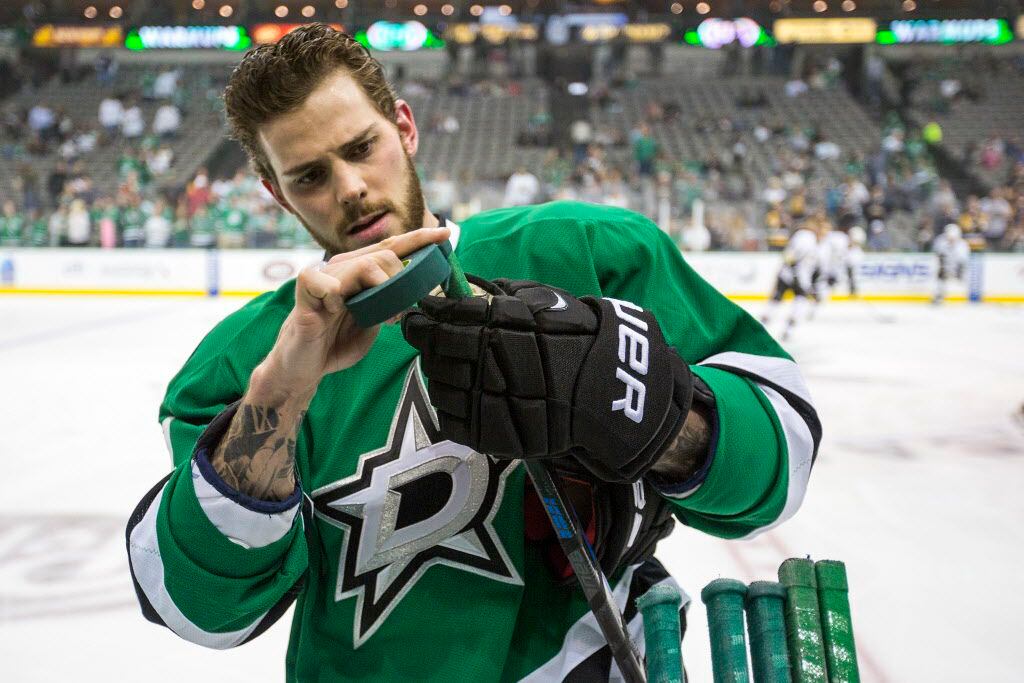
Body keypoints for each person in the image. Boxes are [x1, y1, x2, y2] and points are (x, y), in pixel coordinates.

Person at [125, 25, 819, 682]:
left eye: (362, 147)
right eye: (309, 176)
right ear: (276, 194)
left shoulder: (585, 251)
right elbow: (203, 606)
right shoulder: (242, 364)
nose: (349, 187)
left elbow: (780, 456)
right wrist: (278, 395)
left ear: (405, 126)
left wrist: (657, 417)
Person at [761, 219, 819, 340]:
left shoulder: (800, 235)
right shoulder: (807, 236)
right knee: (799, 302)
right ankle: (788, 330)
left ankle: (760, 327)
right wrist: (797, 275)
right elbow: (795, 256)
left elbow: (790, 256)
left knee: (777, 299)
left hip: (788, 273)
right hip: (796, 275)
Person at [932, 223, 970, 305]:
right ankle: (939, 296)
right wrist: (943, 267)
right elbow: (938, 255)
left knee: (965, 279)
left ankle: (966, 297)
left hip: (957, 267)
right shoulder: (940, 241)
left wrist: (959, 272)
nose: (951, 240)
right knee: (939, 278)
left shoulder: (963, 245)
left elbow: (963, 262)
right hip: (945, 265)